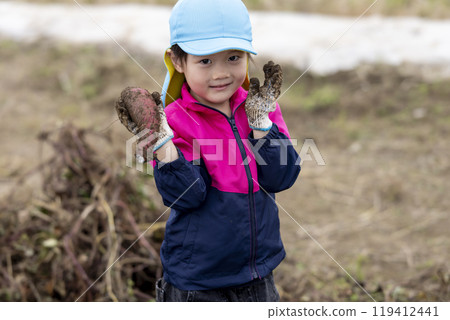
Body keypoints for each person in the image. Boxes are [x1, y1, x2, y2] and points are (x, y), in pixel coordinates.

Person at [116, 0, 301, 302]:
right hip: (198, 281)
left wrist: (261, 127)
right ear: (177, 60)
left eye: (232, 57)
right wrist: (162, 145)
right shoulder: (175, 121)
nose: (221, 73)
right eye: (205, 61)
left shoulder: (260, 108)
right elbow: (188, 196)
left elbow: (282, 178)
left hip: (258, 274)